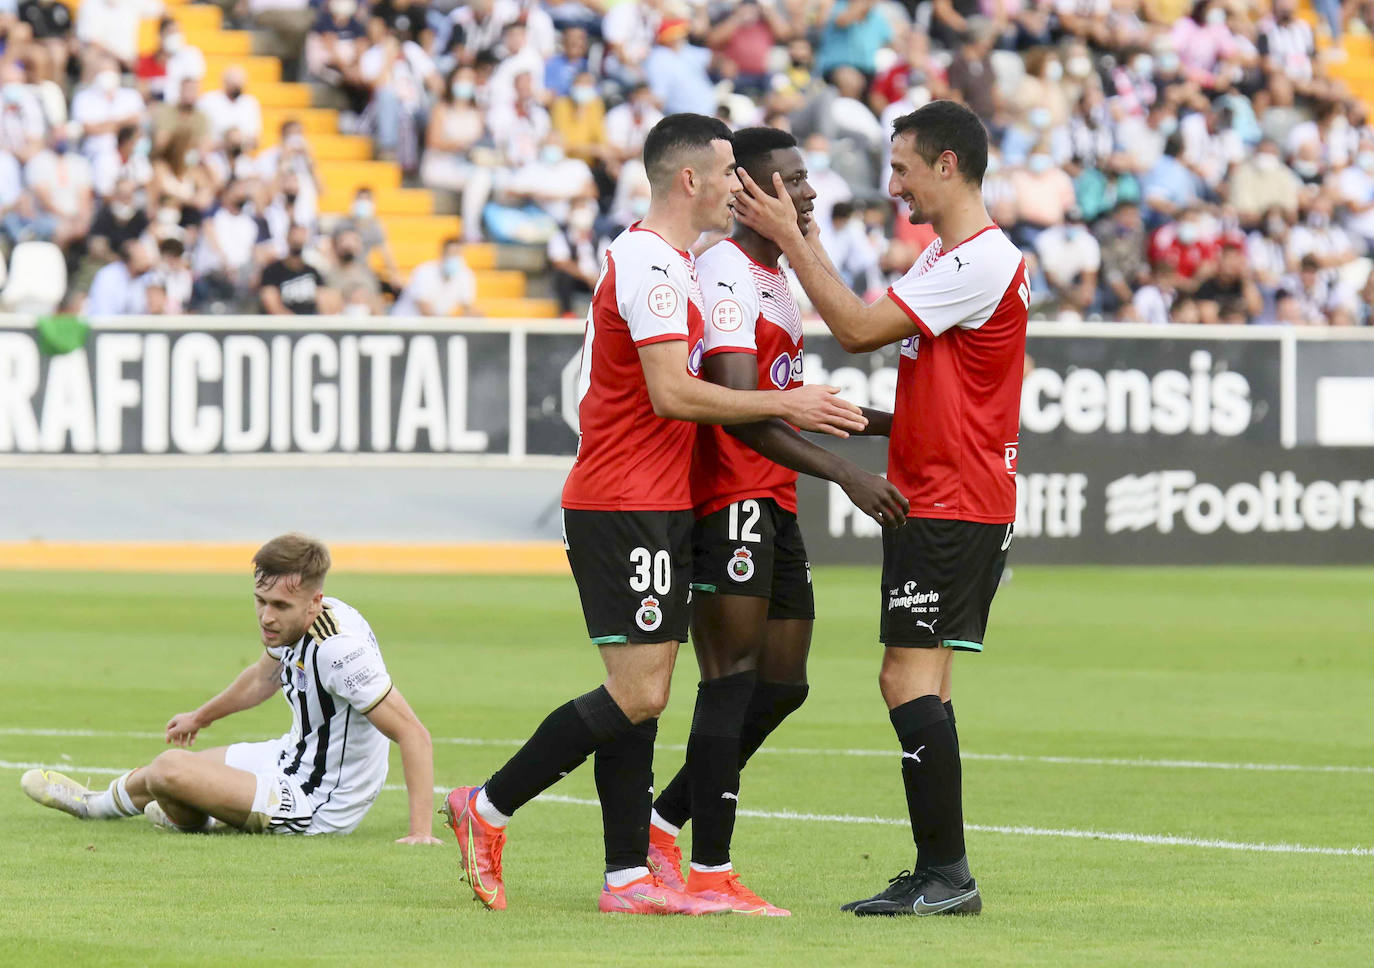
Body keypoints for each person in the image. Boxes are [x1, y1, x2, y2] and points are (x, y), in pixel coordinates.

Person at [442, 113, 868, 917]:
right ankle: (487, 807)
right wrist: (789, 403)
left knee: (642, 690)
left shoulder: (671, 262)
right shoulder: (651, 266)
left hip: (659, 499)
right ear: (690, 182)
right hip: (622, 500)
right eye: (725, 174)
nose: (733, 187)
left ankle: (627, 879)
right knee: (638, 695)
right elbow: (672, 392)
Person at [733, 99, 1029, 917]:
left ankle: (946, 876)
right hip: (948, 494)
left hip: (953, 500)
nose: (890, 183)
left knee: (906, 681)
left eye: (900, 167)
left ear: (945, 165)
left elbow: (860, 327)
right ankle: (941, 872)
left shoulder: (976, 261)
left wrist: (792, 240)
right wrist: (807, 239)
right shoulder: (950, 256)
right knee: (920, 680)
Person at [645, 126, 908, 916]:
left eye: (805, 179)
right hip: (729, 499)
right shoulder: (723, 272)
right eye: (789, 182)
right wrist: (850, 476)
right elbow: (739, 411)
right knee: (729, 682)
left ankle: (659, 820)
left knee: (784, 684)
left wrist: (903, 425)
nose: (808, 193)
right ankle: (710, 873)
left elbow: (794, 396)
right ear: (748, 194)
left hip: (775, 498)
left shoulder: (774, 277)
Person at [21, 534, 440, 843]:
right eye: (261, 600)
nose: (266, 617)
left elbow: (413, 734)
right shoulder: (298, 626)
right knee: (173, 773)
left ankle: (193, 815)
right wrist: (200, 717)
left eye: (280, 607)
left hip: (317, 800)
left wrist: (420, 833)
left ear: (315, 602)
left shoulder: (338, 651)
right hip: (290, 758)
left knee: (170, 770)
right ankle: (93, 804)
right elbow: (262, 678)